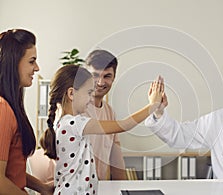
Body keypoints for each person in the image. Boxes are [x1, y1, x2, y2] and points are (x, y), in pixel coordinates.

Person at [40, 65, 163, 194]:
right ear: (71, 93)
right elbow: (124, 125)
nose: (90, 98)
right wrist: (152, 105)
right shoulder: (75, 123)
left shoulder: (61, 123)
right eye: (88, 93)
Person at [0, 29, 54, 194]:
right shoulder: (2, 109)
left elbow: (11, 170)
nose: (36, 68)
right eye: (32, 61)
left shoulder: (9, 106)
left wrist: (42, 188)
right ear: (13, 62)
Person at [84, 49, 126, 180]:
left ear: (113, 78)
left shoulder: (109, 112)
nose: (101, 82)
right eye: (95, 75)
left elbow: (116, 160)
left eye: (107, 76)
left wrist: (125, 188)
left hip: (99, 188)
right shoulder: (75, 108)